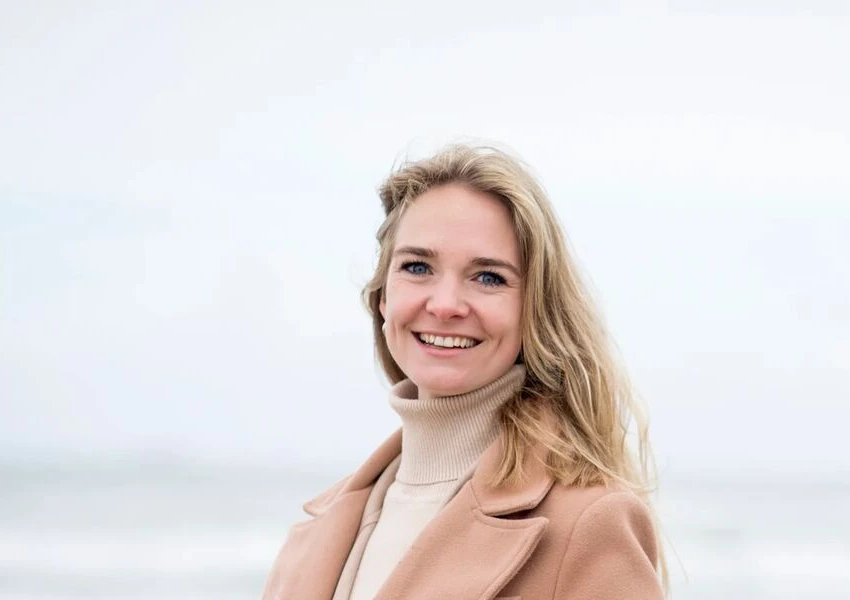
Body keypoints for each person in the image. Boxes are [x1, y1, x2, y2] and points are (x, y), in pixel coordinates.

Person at [262, 144, 664, 599]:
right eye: (417, 267)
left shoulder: (589, 523)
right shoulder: (314, 536)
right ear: (383, 297)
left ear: (533, 309)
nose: (446, 304)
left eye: (488, 277)